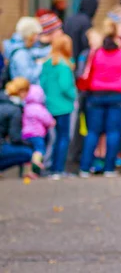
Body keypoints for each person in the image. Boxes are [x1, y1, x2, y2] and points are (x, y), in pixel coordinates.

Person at [78, 17, 121, 177]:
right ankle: (109, 168)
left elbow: (87, 74)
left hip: (96, 95)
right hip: (116, 95)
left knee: (93, 132)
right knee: (113, 132)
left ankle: (84, 168)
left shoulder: (96, 53)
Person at [40, 34, 77, 179]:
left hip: (50, 105)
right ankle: (58, 169)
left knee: (52, 138)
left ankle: (49, 167)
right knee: (63, 137)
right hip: (64, 106)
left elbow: (42, 84)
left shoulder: (47, 63)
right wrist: (74, 95)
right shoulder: (64, 65)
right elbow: (65, 86)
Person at [0, 78, 43, 175]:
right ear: (22, 92)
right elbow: (15, 138)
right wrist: (31, 146)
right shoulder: (15, 109)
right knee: (27, 153)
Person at [2, 17, 44, 85]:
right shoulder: (21, 54)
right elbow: (27, 78)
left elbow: (37, 52)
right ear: (30, 34)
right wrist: (40, 64)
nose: (38, 37)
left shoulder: (24, 48)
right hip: (25, 93)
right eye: (36, 34)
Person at [21, 84, 54, 164]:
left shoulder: (26, 107)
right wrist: (52, 122)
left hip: (25, 134)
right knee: (39, 151)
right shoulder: (39, 108)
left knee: (29, 152)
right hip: (37, 135)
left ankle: (27, 168)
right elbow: (47, 120)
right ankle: (35, 168)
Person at [63, 0, 98, 65]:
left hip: (67, 57)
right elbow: (85, 43)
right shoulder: (86, 22)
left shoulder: (69, 19)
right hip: (79, 60)